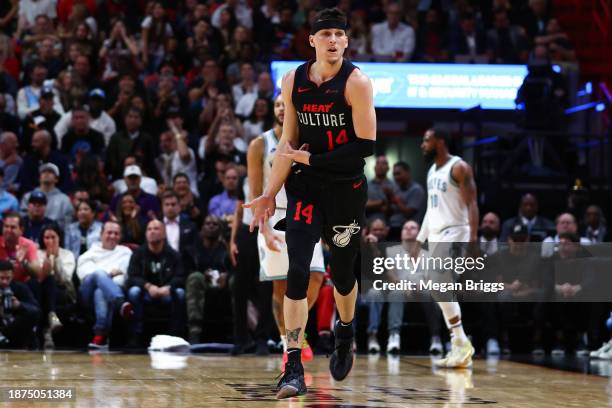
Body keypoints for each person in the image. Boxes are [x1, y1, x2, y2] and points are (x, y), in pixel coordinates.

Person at [244, 7, 376, 398]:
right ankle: (293, 365)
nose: (333, 40)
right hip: (305, 187)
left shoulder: (357, 83)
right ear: (313, 40)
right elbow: (288, 140)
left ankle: (345, 333)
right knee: (297, 271)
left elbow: (365, 147)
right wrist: (269, 195)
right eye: (326, 34)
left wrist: (312, 159)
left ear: (347, 41)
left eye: (340, 33)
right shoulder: (293, 80)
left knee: (344, 272)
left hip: (345, 189)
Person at [247, 94, 324, 365]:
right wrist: (264, 229)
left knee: (316, 277)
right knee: (281, 287)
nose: (282, 109)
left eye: (286, 105)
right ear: (273, 110)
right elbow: (256, 191)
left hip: (305, 216)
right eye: (278, 105)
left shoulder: (310, 140)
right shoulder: (260, 144)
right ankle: (287, 344)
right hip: (273, 217)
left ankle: (297, 330)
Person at [417, 128, 477, 368]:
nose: (423, 144)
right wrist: (420, 240)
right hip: (436, 234)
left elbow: (472, 203)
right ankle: (459, 342)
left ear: (440, 141)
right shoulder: (432, 170)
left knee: (438, 281)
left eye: (426, 139)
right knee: (438, 288)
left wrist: (473, 239)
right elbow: (432, 210)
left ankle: (461, 342)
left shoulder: (459, 167)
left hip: (456, 231)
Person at [125, 220, 186, 347]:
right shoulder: (138, 253)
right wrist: (148, 286)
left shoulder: (173, 255)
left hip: (166, 294)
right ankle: (135, 334)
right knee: (133, 292)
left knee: (180, 293)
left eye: (156, 229)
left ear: (164, 233)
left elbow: (181, 277)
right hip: (146, 293)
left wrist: (168, 287)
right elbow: (132, 277)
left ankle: (174, 335)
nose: (152, 231)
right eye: (149, 229)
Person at [76, 221, 132, 349]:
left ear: (120, 236)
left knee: (100, 292)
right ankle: (120, 303)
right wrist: (108, 275)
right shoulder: (91, 252)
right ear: (101, 234)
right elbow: (84, 275)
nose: (112, 236)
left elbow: (123, 278)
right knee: (98, 274)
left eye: (116, 233)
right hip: (87, 295)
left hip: (108, 292)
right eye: (109, 233)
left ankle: (100, 335)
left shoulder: (125, 252)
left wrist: (104, 280)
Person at [185, 215, 231, 344]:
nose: (211, 226)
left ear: (220, 229)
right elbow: (186, 272)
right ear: (202, 228)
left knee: (236, 281)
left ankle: (241, 333)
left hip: (223, 285)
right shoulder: (192, 249)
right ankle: (194, 332)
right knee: (195, 277)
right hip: (202, 284)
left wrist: (226, 276)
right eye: (208, 223)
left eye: (215, 224)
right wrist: (201, 274)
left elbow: (236, 268)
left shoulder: (227, 249)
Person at [36, 224, 76, 349]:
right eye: (46, 238)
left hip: (63, 292)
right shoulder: (37, 253)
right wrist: (47, 260)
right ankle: (51, 319)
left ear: (60, 238)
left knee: (52, 280)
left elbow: (65, 279)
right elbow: (38, 278)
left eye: (53, 237)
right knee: (47, 281)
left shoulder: (67, 254)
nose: (50, 241)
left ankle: (48, 327)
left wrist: (55, 259)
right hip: (42, 291)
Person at [20, 163, 73, 230]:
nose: (46, 174)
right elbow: (22, 218)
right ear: (39, 178)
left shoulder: (65, 200)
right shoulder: (28, 197)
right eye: (44, 172)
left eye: (50, 172)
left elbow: (67, 223)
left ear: (56, 179)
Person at [0, 260, 40, 349]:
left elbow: (36, 310)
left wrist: (20, 305)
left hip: (16, 329)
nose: (4, 281)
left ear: (12, 276)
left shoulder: (20, 287)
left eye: (7, 278)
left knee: (32, 314)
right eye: (1, 278)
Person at [366, 155, 393, 222]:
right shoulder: (366, 185)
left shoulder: (394, 185)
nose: (380, 166)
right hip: (368, 223)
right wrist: (382, 202)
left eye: (383, 163)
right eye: (378, 163)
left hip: (388, 225)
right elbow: (362, 205)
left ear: (388, 168)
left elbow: (392, 208)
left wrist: (372, 204)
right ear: (374, 167)